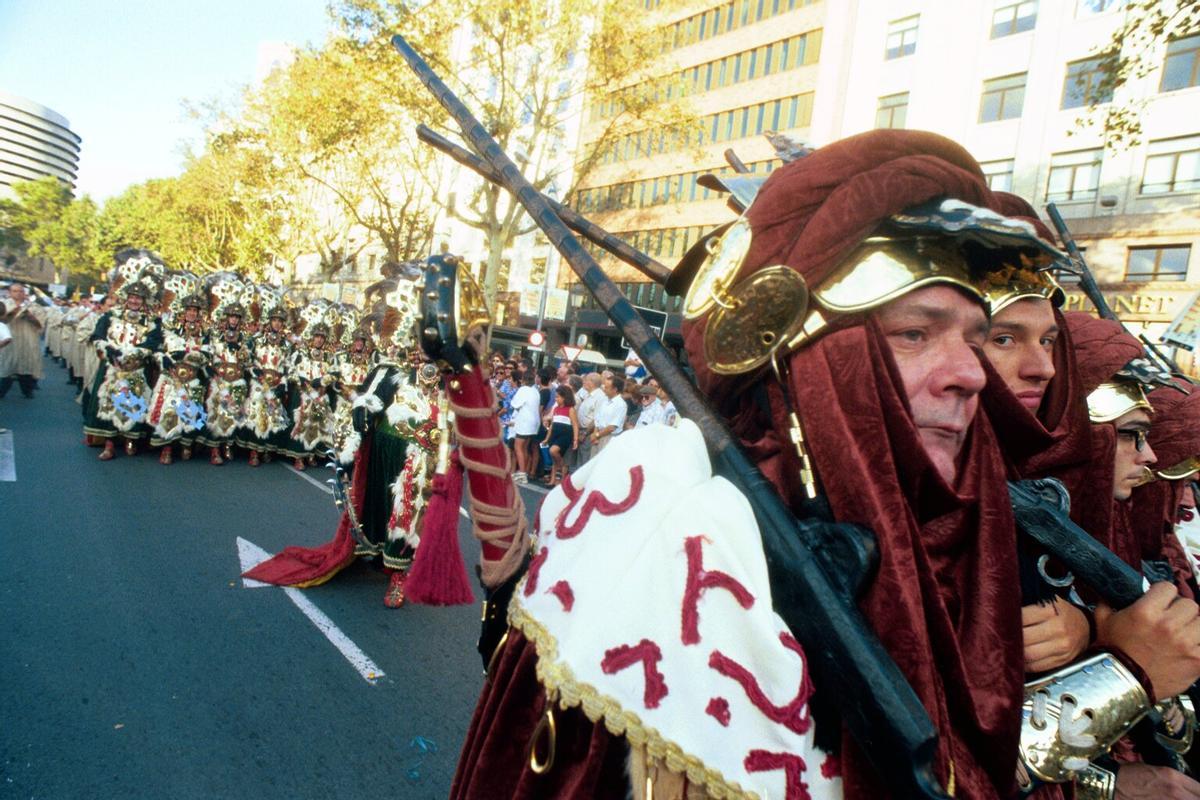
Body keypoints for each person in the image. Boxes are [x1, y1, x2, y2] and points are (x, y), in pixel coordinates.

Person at [447, 129, 1134, 800]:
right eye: (914, 334)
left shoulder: (959, 533)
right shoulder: (680, 540)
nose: (971, 374)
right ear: (814, 368)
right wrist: (1126, 677)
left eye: (977, 338)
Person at [83, 271, 163, 460]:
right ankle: (109, 444)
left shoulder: (152, 321)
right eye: (132, 297)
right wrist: (108, 349)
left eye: (139, 298)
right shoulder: (111, 315)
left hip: (136, 368)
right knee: (110, 404)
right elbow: (98, 336)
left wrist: (136, 352)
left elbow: (153, 342)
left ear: (144, 301)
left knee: (135, 403)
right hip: (114, 367)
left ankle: (130, 439)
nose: (135, 301)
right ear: (126, 298)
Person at [147, 290, 210, 464]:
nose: (192, 313)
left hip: (192, 377)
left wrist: (195, 356)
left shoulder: (204, 332)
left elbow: (208, 353)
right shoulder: (170, 327)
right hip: (172, 376)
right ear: (183, 311)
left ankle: (185, 445)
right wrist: (164, 358)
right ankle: (166, 447)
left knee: (190, 411)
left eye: (195, 310)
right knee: (170, 409)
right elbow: (158, 349)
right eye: (189, 309)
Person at [0, 284, 48, 399]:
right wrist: (12, 313)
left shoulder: (34, 306)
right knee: (7, 367)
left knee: (26, 367)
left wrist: (30, 316)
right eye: (15, 291)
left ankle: (27, 390)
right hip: (10, 340)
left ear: (24, 293)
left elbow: (41, 325)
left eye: (20, 291)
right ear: (10, 293)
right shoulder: (4, 305)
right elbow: (2, 320)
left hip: (28, 340)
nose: (18, 294)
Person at [540, 384, 577, 486]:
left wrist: (575, 439)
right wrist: (547, 438)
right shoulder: (556, 409)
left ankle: (562, 467)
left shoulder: (570, 409)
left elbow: (575, 425)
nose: (556, 399)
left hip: (565, 436)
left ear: (565, 397)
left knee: (553, 451)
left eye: (558, 397)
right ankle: (553, 480)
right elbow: (552, 425)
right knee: (553, 459)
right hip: (555, 434)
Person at [509, 371, 541, 483]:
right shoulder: (535, 391)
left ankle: (522, 473)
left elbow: (515, 404)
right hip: (534, 422)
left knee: (518, 446)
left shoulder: (523, 390)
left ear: (523, 380)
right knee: (525, 447)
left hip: (525, 422)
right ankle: (524, 472)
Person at [589, 373, 625, 455]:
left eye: (606, 387)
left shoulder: (621, 404)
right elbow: (597, 420)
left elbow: (612, 427)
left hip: (609, 438)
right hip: (597, 436)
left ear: (615, 389)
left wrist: (597, 435)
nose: (604, 389)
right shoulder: (605, 401)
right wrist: (595, 434)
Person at [574, 371, 602, 465]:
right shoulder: (587, 395)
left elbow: (596, 419)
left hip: (588, 432)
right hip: (581, 431)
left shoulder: (599, 397)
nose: (583, 383)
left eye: (585, 380)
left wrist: (585, 433)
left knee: (585, 461)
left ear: (591, 382)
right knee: (580, 460)